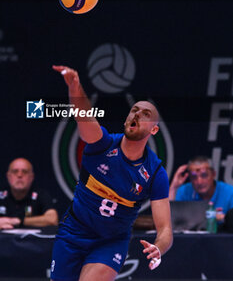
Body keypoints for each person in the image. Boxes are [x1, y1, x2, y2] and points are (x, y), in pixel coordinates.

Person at [50, 65, 173, 281]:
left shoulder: (155, 172)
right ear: (127, 119)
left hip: (111, 241)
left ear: (154, 130)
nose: (137, 114)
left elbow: (165, 230)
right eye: (134, 110)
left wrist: (159, 248)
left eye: (146, 114)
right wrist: (75, 88)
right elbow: (83, 116)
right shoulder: (103, 145)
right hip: (74, 231)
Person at [169, 156, 233, 222]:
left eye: (204, 175)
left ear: (213, 174)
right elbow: (168, 219)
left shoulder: (230, 192)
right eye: (194, 177)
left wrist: (225, 218)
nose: (199, 182)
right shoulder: (183, 191)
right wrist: (173, 187)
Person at [0, 157, 58, 229]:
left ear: (31, 177)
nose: (19, 175)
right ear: (8, 176)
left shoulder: (40, 195)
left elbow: (52, 219)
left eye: (24, 171)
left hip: (32, 240)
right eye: (15, 171)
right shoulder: (1, 195)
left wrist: (19, 221)